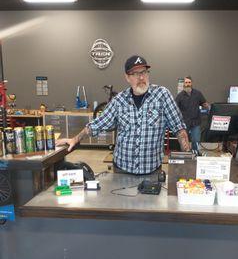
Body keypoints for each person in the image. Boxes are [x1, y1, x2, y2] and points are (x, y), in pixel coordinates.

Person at [56, 55, 190, 174]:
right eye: (135, 74)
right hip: (122, 170)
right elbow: (96, 125)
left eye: (144, 72)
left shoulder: (162, 95)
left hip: (152, 171)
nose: (141, 77)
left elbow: (179, 128)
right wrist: (75, 139)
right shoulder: (119, 100)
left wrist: (189, 160)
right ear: (127, 77)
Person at [175, 76, 209, 151]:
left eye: (189, 82)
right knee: (184, 142)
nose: (188, 84)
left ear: (191, 83)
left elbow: (204, 103)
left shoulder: (198, 93)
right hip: (184, 123)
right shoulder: (180, 96)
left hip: (196, 122)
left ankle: (195, 155)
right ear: (184, 84)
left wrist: (209, 109)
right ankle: (184, 156)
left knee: (196, 140)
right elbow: (175, 108)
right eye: (186, 82)